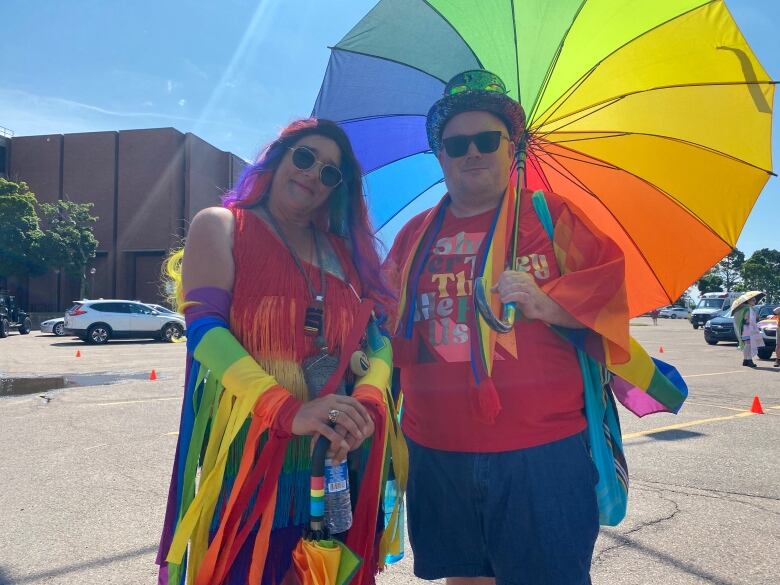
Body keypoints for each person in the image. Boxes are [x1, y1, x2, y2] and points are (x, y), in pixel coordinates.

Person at [382, 69, 633, 585]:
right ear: (441, 157)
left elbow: (609, 291)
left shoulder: (551, 215)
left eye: (485, 139)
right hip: (436, 450)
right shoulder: (413, 235)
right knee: (465, 580)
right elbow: (380, 322)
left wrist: (547, 304)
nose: (470, 152)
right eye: (456, 144)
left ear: (510, 147)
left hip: (542, 452)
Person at [156, 118, 402, 585]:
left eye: (331, 173)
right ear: (276, 159)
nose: (314, 174)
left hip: (334, 462)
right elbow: (205, 332)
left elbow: (379, 343)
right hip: (251, 463)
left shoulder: (346, 256)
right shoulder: (223, 225)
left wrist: (368, 401)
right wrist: (287, 410)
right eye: (305, 157)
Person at [732, 292, 765, 368]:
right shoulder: (747, 309)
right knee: (749, 345)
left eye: (754, 300)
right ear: (748, 301)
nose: (755, 301)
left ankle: (745, 360)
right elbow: (746, 319)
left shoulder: (745, 308)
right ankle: (749, 360)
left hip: (745, 330)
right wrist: (753, 319)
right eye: (753, 300)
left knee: (747, 345)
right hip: (748, 329)